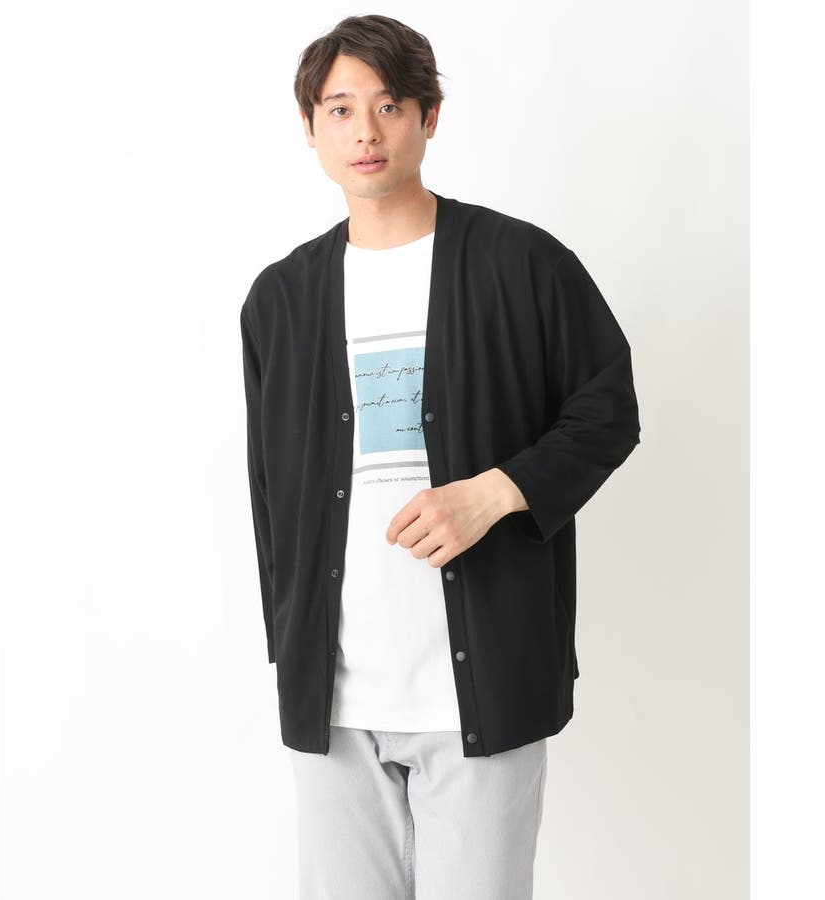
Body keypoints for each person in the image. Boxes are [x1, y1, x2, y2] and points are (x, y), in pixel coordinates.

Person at [239, 13, 641, 899]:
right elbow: (270, 492)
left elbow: (607, 408)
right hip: (335, 699)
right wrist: (290, 644)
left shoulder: (522, 265)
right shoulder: (280, 300)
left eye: (389, 105)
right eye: (340, 109)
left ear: (429, 116)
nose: (365, 131)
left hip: (483, 682)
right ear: (309, 127)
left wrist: (496, 492)